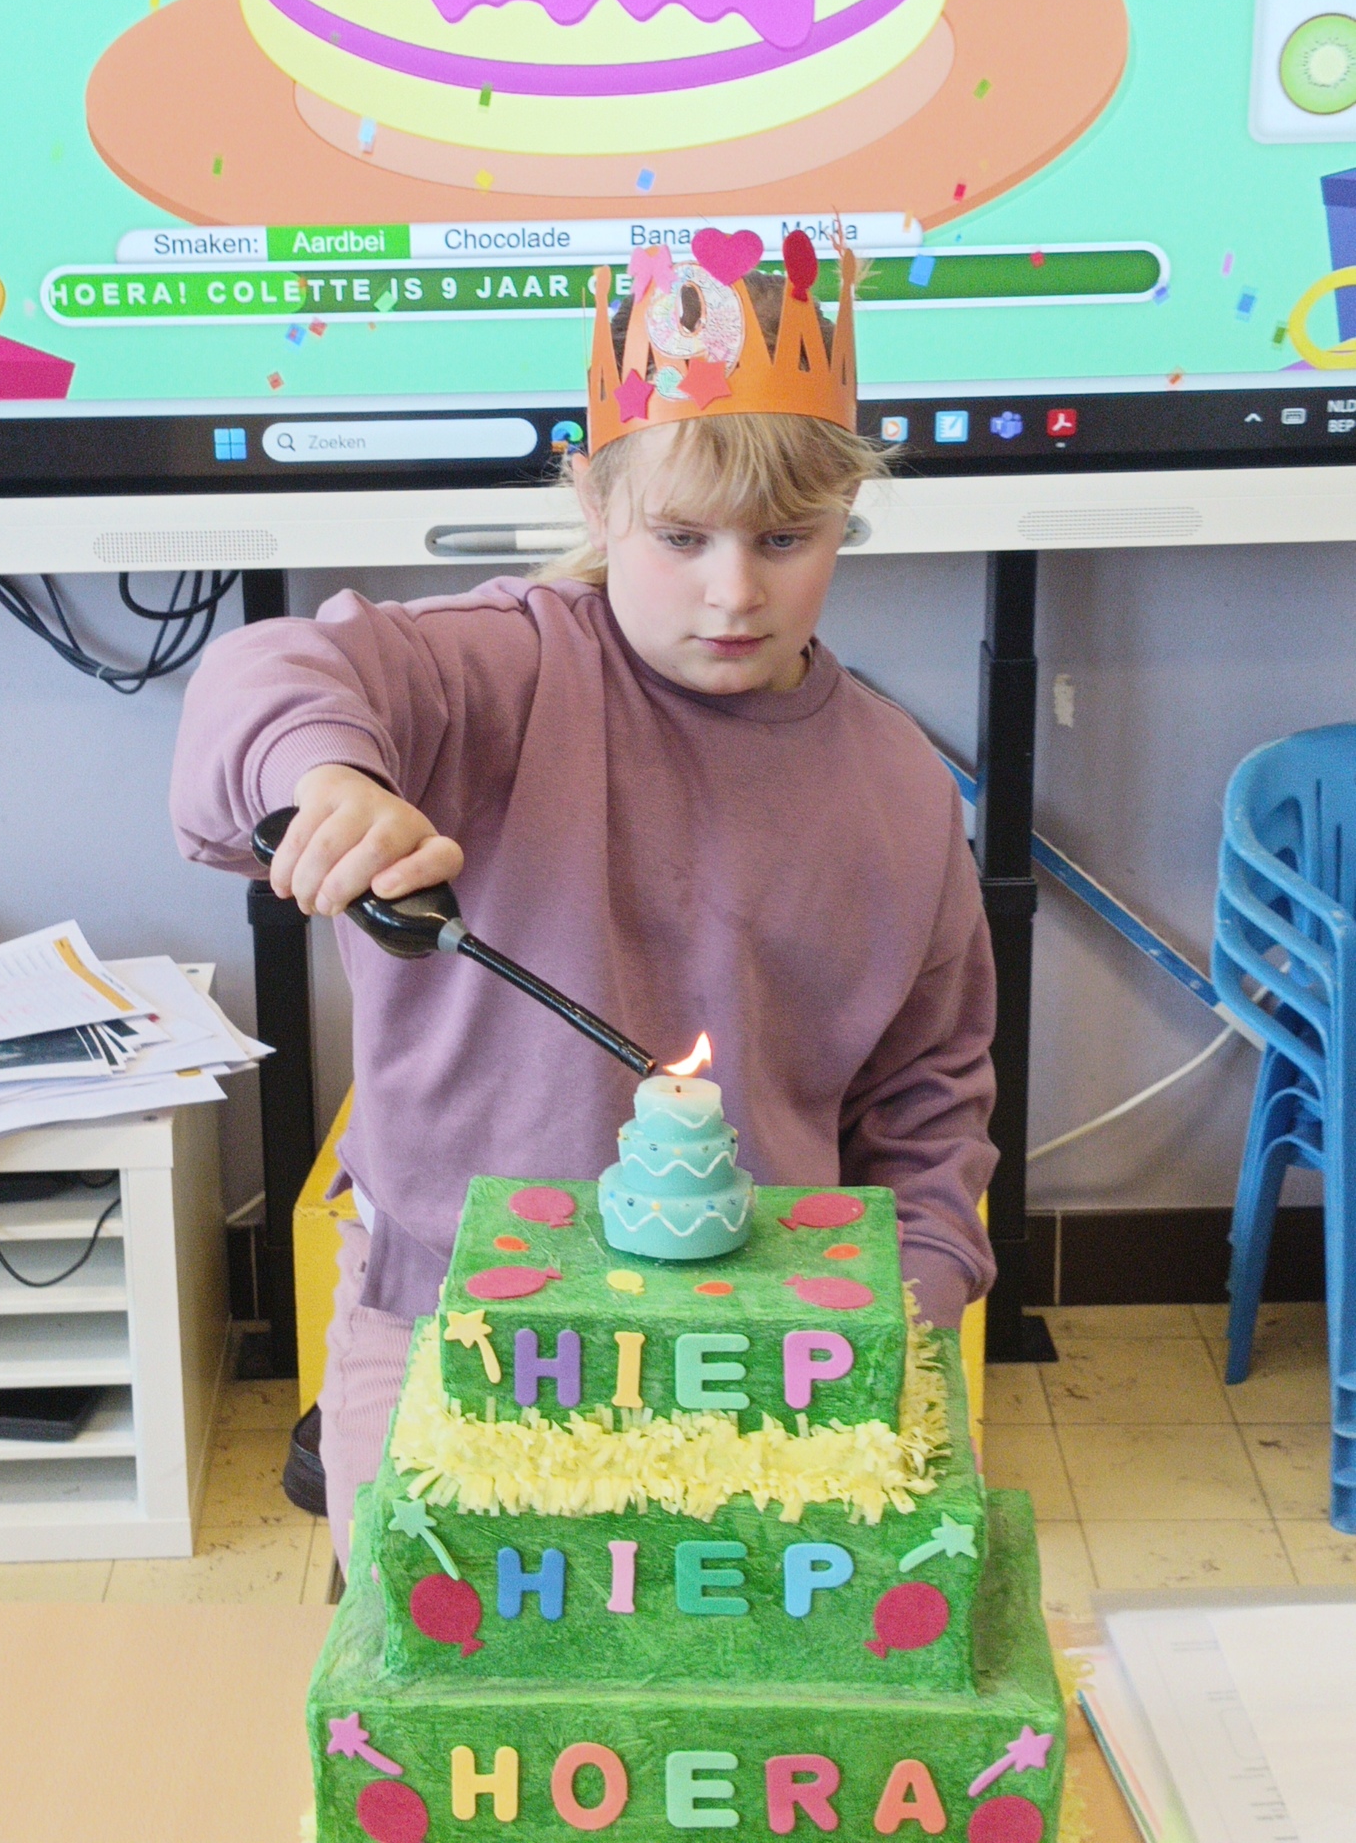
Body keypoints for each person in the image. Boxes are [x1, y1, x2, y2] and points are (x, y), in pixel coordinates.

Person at [170, 235, 997, 1570]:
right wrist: (325, 777)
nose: (735, 591)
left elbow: (930, 1095)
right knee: (435, 1661)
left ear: (847, 515)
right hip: (444, 1327)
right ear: (596, 503)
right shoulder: (500, 676)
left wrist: (906, 1308)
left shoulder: (898, 786)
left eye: (786, 540)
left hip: (756, 1362)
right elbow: (274, 670)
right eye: (681, 538)